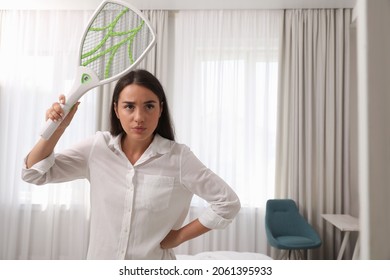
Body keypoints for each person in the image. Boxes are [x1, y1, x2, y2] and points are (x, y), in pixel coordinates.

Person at [22, 69, 240, 260]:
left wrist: (178, 237)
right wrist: (60, 126)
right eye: (129, 107)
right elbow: (34, 173)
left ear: (160, 109)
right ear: (116, 110)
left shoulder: (179, 158)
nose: (139, 117)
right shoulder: (97, 148)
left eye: (149, 106)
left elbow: (227, 202)